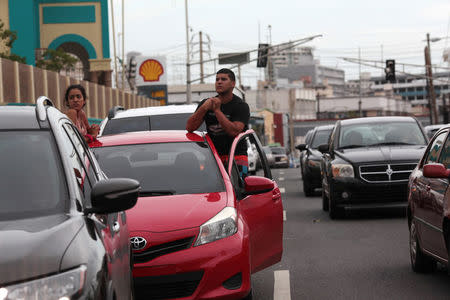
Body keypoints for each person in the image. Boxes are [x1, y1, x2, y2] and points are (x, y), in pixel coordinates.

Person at [186, 68, 250, 176]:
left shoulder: (241, 106)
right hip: (213, 156)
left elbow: (234, 131)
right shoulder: (206, 103)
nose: (219, 82)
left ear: (233, 84)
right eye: (217, 79)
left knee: (238, 190)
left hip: (236, 156)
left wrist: (217, 110)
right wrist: (203, 108)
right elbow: (190, 127)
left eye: (223, 79)